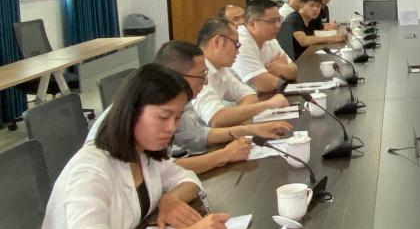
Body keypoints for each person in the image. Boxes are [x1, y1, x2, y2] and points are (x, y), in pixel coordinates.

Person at [34, 64, 231, 229]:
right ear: (132, 111)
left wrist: (171, 199)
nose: (172, 127)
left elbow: (185, 177)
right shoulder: (90, 170)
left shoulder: (143, 152)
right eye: (163, 117)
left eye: (177, 117)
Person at [86, 42, 292, 174]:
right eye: (201, 76)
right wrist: (224, 155)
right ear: (177, 76)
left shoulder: (172, 103)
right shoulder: (149, 106)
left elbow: (196, 136)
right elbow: (162, 171)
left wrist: (251, 130)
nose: (205, 82)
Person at [193, 17, 292, 127]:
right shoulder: (195, 72)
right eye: (236, 44)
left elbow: (250, 95)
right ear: (218, 41)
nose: (238, 51)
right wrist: (267, 105)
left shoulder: (221, 69)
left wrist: (233, 117)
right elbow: (216, 119)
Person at [234, 0, 298, 92]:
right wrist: (279, 72)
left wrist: (279, 68)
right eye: (272, 21)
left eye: (279, 20)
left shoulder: (269, 39)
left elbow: (294, 71)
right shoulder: (240, 42)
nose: (278, 25)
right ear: (252, 24)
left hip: (259, 96)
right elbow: (266, 85)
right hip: (238, 100)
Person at [277, 0, 347, 60]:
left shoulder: (311, 19)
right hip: (291, 60)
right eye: (312, 6)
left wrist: (341, 34)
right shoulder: (294, 18)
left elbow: (324, 29)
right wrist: (334, 38)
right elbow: (303, 41)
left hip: (305, 55)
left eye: (318, 6)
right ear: (301, 5)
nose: (315, 9)